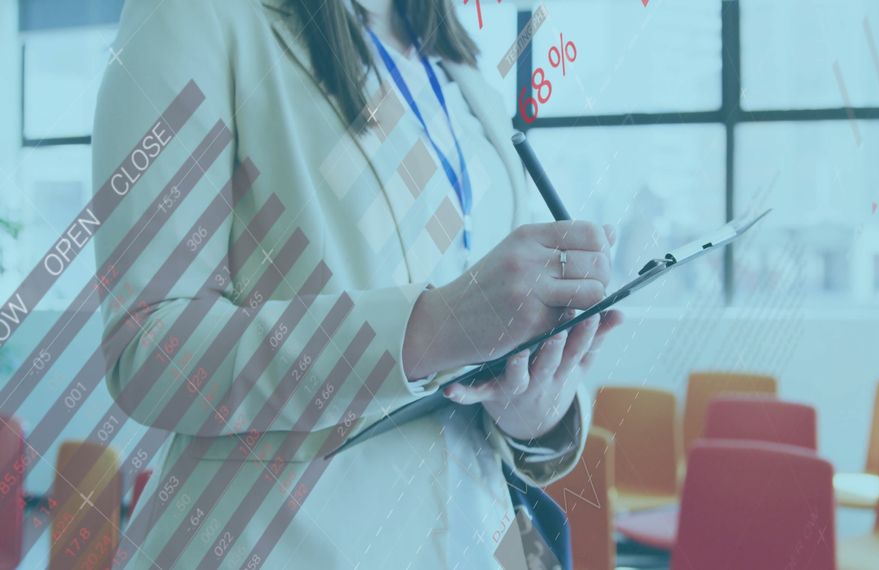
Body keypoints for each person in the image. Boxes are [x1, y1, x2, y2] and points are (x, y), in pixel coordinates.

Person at [92, 0, 621, 567]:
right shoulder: (195, 15)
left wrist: (536, 403)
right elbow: (149, 350)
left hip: (477, 539)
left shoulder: (455, 66)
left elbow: (494, 341)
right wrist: (432, 327)